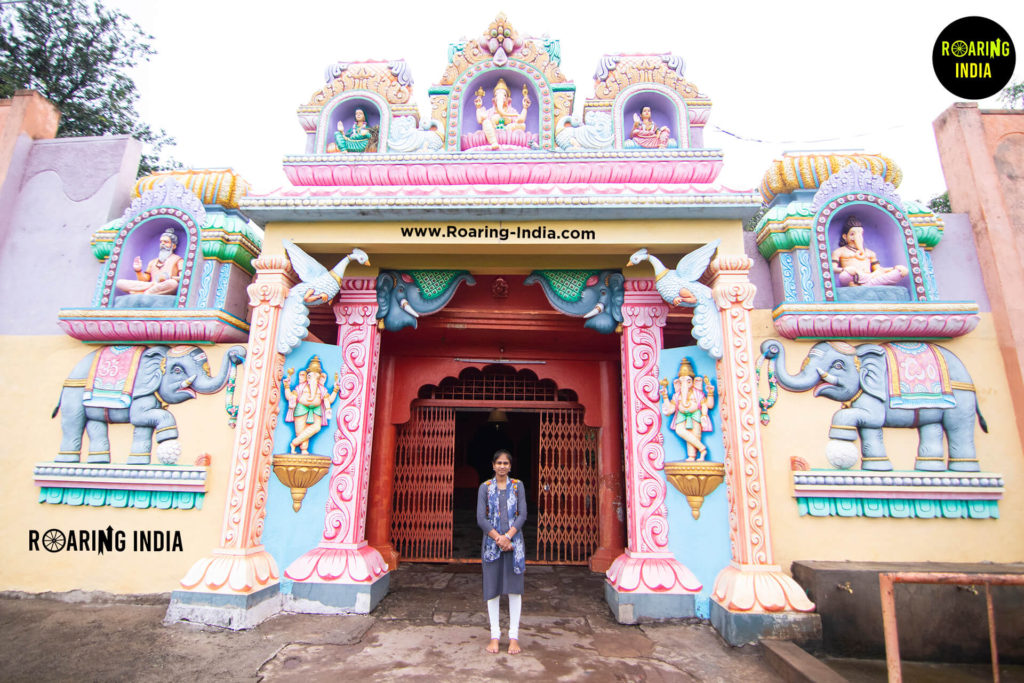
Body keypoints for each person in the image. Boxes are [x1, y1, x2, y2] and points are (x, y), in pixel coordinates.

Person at [477, 449, 527, 654]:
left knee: (515, 591)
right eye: (499, 463)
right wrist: (498, 538)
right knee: (493, 591)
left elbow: (523, 514)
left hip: (514, 546)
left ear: (510, 466)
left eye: (506, 463)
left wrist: (509, 537)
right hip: (491, 546)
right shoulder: (485, 487)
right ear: (493, 465)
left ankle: (514, 636)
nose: (502, 466)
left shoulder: (518, 486)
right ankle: (495, 635)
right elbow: (481, 518)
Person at [282, 355, 339, 454]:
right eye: (311, 376)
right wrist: (287, 386)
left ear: (319, 377)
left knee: (317, 427)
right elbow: (289, 397)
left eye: (317, 377)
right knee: (300, 432)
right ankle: (303, 449)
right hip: (301, 409)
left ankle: (294, 443)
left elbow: (328, 400)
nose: (314, 380)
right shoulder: (301, 387)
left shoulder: (321, 389)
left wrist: (335, 389)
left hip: (316, 410)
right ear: (308, 377)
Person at [660, 358, 715, 460]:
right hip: (682, 416)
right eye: (682, 382)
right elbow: (671, 409)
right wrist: (665, 396)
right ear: (679, 383)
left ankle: (692, 456)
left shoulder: (698, 394)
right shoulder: (677, 395)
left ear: (693, 382)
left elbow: (709, 405)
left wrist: (710, 393)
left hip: (695, 416)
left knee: (695, 434)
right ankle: (702, 448)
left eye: (688, 381)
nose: (685, 385)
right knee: (679, 430)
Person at [831, 215, 908, 287]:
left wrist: (894, 268)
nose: (856, 237)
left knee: (900, 272)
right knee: (844, 276)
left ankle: (866, 285)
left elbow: (878, 270)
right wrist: (845, 269)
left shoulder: (870, 253)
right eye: (852, 234)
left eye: (860, 234)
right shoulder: (839, 252)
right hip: (854, 277)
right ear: (845, 236)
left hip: (870, 276)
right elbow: (832, 268)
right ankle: (870, 284)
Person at [115, 228, 183, 296]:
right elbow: (144, 280)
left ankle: (143, 293)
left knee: (173, 284)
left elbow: (182, 277)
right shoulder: (153, 262)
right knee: (120, 283)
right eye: (161, 242)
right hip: (151, 285)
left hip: (165, 285)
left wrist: (169, 278)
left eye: (166, 242)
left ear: (173, 246)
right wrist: (138, 271)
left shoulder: (178, 260)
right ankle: (147, 292)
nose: (162, 244)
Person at [474, 79, 531, 150]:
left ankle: (499, 139)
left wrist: (525, 108)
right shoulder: (490, 111)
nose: (500, 97)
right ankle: (494, 142)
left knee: (522, 125)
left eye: (504, 95)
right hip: (493, 133)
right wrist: (478, 108)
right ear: (494, 100)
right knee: (485, 122)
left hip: (508, 134)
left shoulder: (511, 111)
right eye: (496, 95)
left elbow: (521, 120)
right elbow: (480, 120)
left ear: (508, 100)